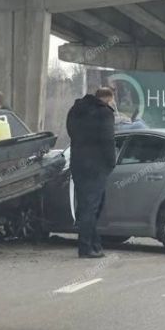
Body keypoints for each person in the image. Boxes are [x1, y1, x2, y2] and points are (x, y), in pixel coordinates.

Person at [66, 86, 119, 259]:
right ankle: (86, 247)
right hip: (96, 167)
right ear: (108, 98)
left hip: (78, 164)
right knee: (93, 208)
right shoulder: (105, 114)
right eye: (112, 100)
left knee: (85, 207)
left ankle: (94, 244)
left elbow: (71, 133)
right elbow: (108, 141)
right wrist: (111, 163)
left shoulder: (75, 111)